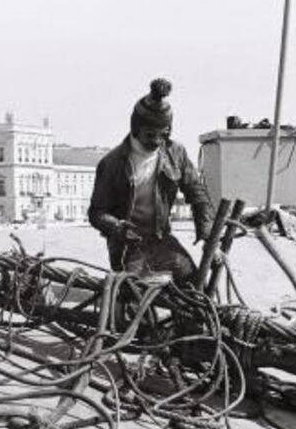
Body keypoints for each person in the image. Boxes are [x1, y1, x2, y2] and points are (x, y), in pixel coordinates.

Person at [88, 78, 214, 284]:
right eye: (149, 135)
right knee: (137, 298)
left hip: (162, 240)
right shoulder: (111, 163)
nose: (156, 141)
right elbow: (96, 213)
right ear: (135, 128)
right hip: (127, 247)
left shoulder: (177, 153)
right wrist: (117, 227)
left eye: (162, 135)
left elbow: (197, 193)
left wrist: (207, 235)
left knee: (195, 288)